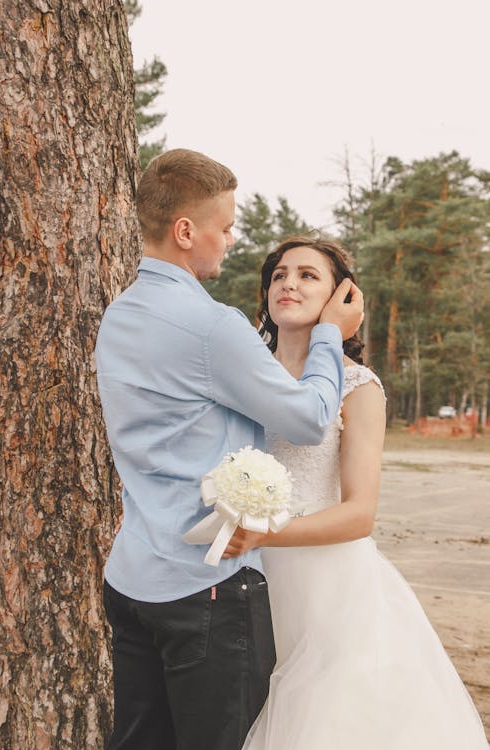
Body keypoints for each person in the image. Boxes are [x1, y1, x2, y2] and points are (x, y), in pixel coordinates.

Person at [94, 149, 364, 750]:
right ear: (186, 231)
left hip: (133, 578)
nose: (231, 240)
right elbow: (312, 418)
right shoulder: (214, 326)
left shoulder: (118, 317)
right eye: (226, 226)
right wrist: (328, 337)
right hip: (205, 589)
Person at [223, 235, 489, 750]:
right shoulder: (243, 376)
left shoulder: (357, 387)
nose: (289, 283)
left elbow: (360, 515)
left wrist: (263, 533)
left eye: (307, 275)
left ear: (341, 298)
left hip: (328, 592)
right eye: (279, 275)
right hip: (240, 575)